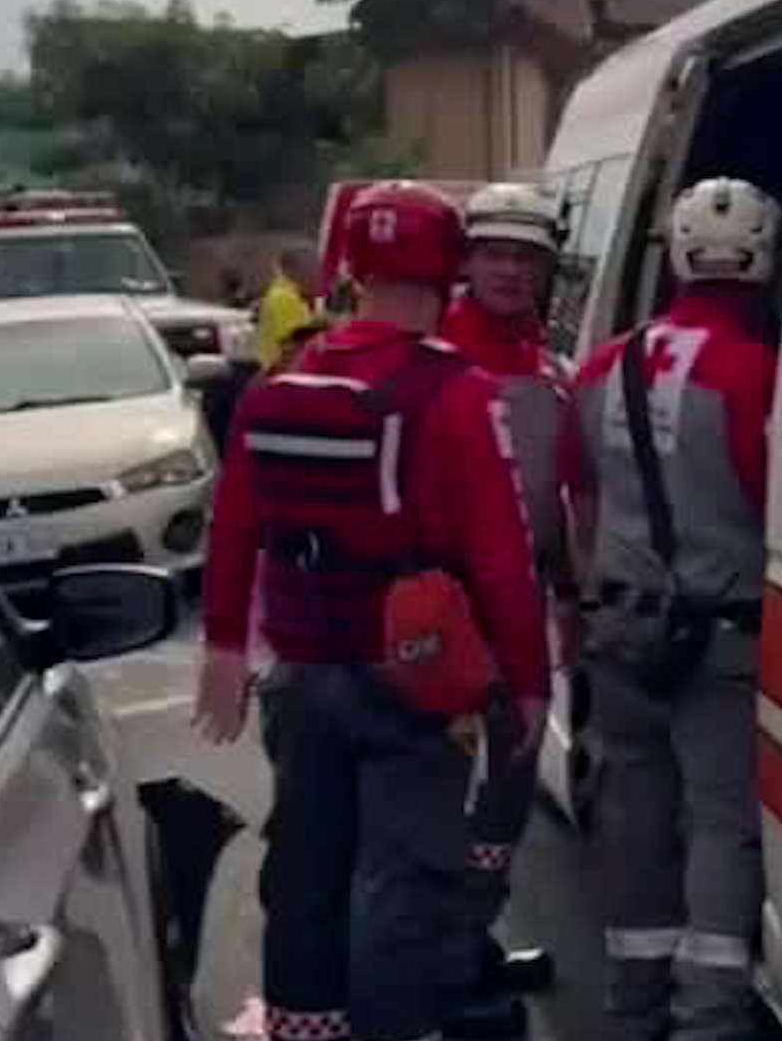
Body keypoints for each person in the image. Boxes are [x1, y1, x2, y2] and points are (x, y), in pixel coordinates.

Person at [194, 181, 550, 1041]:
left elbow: (234, 522)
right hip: (415, 680)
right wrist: (529, 687)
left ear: (349, 265)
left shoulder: (284, 377)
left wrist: (223, 649)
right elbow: (504, 559)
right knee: (409, 881)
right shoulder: (457, 394)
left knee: (307, 872)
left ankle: (304, 1028)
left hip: (302, 674)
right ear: (448, 268)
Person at [559, 177, 779, 1041]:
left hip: (618, 627)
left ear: (677, 254)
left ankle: (633, 1004)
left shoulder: (604, 366)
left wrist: (583, 603)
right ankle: (711, 1020)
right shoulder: (754, 373)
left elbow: (580, 501)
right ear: (763, 260)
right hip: (720, 639)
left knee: (635, 819)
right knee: (722, 822)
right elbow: (778, 511)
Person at [438, 182, 579, 1027]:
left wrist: (571, 596)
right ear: (465, 262)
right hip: (438, 623)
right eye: (494, 253)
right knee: (443, 803)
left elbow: (558, 499)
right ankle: (444, 971)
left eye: (526, 257)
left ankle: (470, 947)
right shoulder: (435, 359)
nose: (510, 271)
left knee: (505, 798)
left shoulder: (551, 373)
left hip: (518, 611)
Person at [255, 242, 324, 371]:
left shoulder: (288, 294)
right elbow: (299, 346)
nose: (317, 274)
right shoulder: (285, 298)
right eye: (311, 268)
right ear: (291, 271)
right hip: (283, 375)